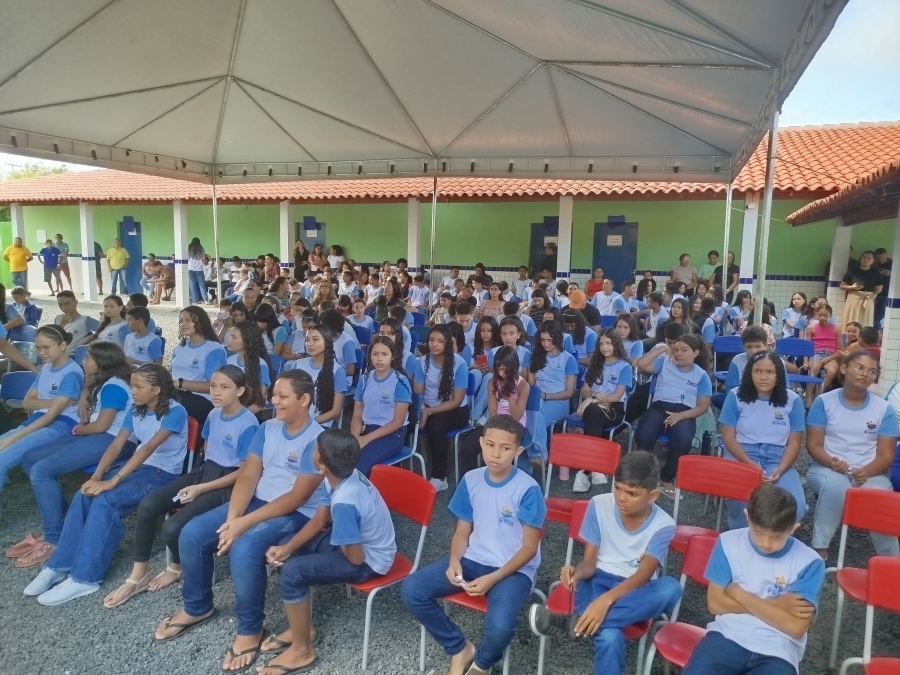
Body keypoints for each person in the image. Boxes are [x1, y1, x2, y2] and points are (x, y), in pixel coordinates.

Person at [153, 371, 325, 673]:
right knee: (192, 533)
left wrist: (244, 524)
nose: (274, 401)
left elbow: (297, 497)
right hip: (260, 501)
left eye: (282, 396)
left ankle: (250, 629)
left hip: (297, 513)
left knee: (244, 548)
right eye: (274, 394)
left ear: (304, 400)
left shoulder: (317, 440)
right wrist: (232, 519)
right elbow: (248, 475)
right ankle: (197, 607)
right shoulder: (268, 427)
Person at [24, 364, 187, 606]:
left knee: (106, 500)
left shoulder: (175, 411)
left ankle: (85, 577)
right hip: (139, 467)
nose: (132, 391)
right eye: (132, 385)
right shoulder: (137, 409)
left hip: (163, 474)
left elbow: (149, 449)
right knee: (85, 493)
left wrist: (112, 481)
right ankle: (60, 565)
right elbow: (116, 445)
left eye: (138, 386)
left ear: (156, 389)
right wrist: (97, 477)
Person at [102, 365, 259, 607]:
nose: (216, 392)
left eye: (224, 387)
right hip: (205, 472)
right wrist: (198, 482)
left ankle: (176, 567)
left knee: (173, 526)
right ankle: (138, 574)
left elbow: (244, 473)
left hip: (228, 483)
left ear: (239, 391)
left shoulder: (248, 423)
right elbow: (208, 450)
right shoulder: (214, 414)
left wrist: (201, 489)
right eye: (213, 386)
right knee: (149, 505)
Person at [402, 415, 545, 675]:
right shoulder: (470, 480)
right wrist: (454, 560)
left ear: (518, 451)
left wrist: (493, 578)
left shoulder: (527, 489)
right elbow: (462, 531)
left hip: (512, 570)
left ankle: (482, 663)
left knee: (500, 627)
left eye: (505, 448)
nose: (496, 454)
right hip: (472, 559)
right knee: (412, 590)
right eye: (490, 445)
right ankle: (459, 648)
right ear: (481, 443)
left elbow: (529, 549)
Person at [529, 451, 682, 675]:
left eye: (632, 493)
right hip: (597, 578)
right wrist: (577, 573)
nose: (621, 498)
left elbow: (644, 574)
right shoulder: (599, 504)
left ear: (653, 496)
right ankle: (584, 622)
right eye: (617, 488)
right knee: (609, 635)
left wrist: (606, 601)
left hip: (636, 588)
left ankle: (573, 624)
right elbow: (589, 562)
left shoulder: (664, 524)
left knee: (671, 588)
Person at [259, 428, 396, 674]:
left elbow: (355, 558)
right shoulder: (340, 476)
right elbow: (319, 520)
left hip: (369, 561)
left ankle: (302, 650)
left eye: (314, 450)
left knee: (291, 573)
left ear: (321, 466)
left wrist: (338, 540)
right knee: (291, 545)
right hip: (353, 543)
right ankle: (303, 630)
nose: (311, 452)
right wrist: (287, 548)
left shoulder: (345, 502)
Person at [6, 342, 135, 567]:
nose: (83, 362)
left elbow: (102, 426)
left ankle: (54, 538)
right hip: (97, 435)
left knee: (41, 470)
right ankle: (67, 525)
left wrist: (78, 430)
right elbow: (93, 410)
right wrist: (85, 415)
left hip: (113, 440)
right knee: (29, 458)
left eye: (88, 359)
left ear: (101, 363)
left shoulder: (114, 385)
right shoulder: (102, 380)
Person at [682, 485, 824, 675]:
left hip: (779, 649)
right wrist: (778, 604)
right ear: (747, 517)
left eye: (776, 537)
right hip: (727, 635)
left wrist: (738, 593)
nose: (766, 543)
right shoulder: (727, 542)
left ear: (793, 528)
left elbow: (795, 627)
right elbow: (715, 605)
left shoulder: (811, 562)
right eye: (757, 532)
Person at [805, 351, 899, 560]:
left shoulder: (884, 409)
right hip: (826, 467)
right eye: (859, 367)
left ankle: (892, 561)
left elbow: (886, 455)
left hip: (869, 472)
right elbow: (813, 445)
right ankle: (819, 548)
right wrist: (831, 462)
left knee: (879, 497)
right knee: (836, 485)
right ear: (843, 368)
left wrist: (866, 471)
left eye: (872, 371)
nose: (865, 374)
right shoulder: (824, 402)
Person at [719, 352, 808, 529]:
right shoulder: (735, 396)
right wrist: (749, 464)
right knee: (743, 502)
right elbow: (728, 437)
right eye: (757, 371)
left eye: (770, 372)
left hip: (778, 458)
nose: (763, 377)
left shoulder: (793, 400)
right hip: (741, 455)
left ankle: (773, 537)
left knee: (795, 506)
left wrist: (781, 469)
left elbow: (794, 443)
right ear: (749, 373)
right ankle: (743, 536)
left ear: (779, 374)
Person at [0, 326, 84, 509]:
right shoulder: (46, 368)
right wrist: (56, 402)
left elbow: (51, 416)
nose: (41, 352)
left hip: (59, 426)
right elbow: (27, 402)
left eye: (47, 347)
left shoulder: (71, 373)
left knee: (2, 460)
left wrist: (14, 437)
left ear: (62, 345)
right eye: (38, 348)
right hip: (38, 421)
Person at [635, 334, 712, 496]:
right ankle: (645, 474)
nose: (678, 353)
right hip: (659, 407)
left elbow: (703, 406)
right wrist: (663, 348)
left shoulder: (701, 375)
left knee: (683, 441)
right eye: (676, 349)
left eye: (684, 350)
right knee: (644, 435)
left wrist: (680, 416)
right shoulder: (665, 363)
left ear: (695, 353)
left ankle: (666, 476)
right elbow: (641, 364)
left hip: (684, 412)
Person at [572, 329, 632, 485]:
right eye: (601, 344)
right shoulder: (594, 365)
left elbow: (616, 397)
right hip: (593, 407)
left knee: (594, 412)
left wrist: (591, 400)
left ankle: (585, 470)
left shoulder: (624, 367)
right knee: (594, 411)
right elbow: (585, 390)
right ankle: (595, 468)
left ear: (616, 344)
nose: (604, 347)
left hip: (614, 409)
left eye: (608, 343)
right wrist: (592, 397)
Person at [415, 325, 469, 492]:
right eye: (431, 340)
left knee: (436, 425)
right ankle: (397, 468)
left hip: (456, 410)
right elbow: (418, 392)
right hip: (428, 406)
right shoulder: (422, 361)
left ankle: (440, 477)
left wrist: (429, 412)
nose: (434, 344)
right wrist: (422, 409)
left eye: (440, 341)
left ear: (448, 343)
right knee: (404, 418)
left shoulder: (459, 364)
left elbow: (456, 400)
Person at [350, 336, 412, 475]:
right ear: (370, 356)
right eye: (375, 354)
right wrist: (355, 438)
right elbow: (357, 416)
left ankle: (365, 490)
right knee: (339, 460)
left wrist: (366, 439)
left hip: (392, 435)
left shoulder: (400, 381)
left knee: (359, 466)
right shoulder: (365, 379)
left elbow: (397, 422)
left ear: (393, 356)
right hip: (366, 429)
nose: (379, 359)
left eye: (384, 354)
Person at [528, 321, 578, 467]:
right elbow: (531, 385)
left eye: (550, 340)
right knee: (535, 413)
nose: (546, 344)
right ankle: (538, 456)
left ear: (557, 339)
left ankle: (537, 454)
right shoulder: (536, 356)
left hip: (558, 401)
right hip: (538, 400)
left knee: (532, 418)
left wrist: (545, 396)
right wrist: (539, 397)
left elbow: (569, 392)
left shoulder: (568, 359)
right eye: (542, 340)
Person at [172, 306, 228, 426]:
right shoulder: (180, 347)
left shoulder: (213, 349)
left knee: (167, 407)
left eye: (188, 320)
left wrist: (180, 383)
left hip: (200, 399)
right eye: (181, 321)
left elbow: (214, 386)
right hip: (176, 393)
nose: (183, 324)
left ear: (200, 322)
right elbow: (171, 373)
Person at [283, 324, 346, 428]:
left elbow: (335, 412)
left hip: (319, 425)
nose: (309, 344)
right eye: (307, 340)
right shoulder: (298, 364)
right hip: (294, 421)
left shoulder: (337, 371)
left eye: (315, 339)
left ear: (326, 341)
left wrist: (308, 423)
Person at [226, 320, 273, 417]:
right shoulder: (229, 360)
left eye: (234, 337)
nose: (229, 340)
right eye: (230, 336)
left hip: (250, 413)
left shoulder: (260, 365)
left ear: (247, 341)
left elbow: (260, 403)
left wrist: (238, 416)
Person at [804, 303, 840, 408]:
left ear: (830, 315)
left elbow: (841, 350)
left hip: (830, 355)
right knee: (814, 368)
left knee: (833, 371)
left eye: (825, 315)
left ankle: (818, 396)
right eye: (820, 315)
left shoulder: (836, 329)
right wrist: (805, 361)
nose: (823, 317)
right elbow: (807, 347)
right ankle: (808, 397)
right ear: (816, 314)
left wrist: (830, 358)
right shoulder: (811, 328)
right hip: (815, 354)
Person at [840, 250, 883, 330]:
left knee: (865, 322)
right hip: (853, 298)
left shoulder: (876, 272)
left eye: (869, 258)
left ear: (873, 260)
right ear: (860, 258)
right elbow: (842, 286)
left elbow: (879, 289)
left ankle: (864, 336)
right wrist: (852, 287)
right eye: (864, 257)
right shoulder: (853, 270)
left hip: (868, 299)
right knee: (851, 319)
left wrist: (872, 295)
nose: (866, 259)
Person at [53, 290, 99, 356]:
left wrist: (90, 338)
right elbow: (52, 339)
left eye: (67, 303)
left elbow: (105, 329)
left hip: (72, 356)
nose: (64, 307)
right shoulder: (58, 318)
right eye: (60, 305)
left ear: (76, 302)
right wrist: (62, 324)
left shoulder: (85, 320)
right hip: (56, 355)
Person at [874, 247, 892, 328]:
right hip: (875, 292)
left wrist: (891, 273)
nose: (881, 260)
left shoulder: (893, 264)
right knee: (873, 312)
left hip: (887, 292)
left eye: (882, 257)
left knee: (881, 313)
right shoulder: (874, 265)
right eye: (878, 258)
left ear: (886, 255)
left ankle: (874, 328)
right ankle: (875, 330)